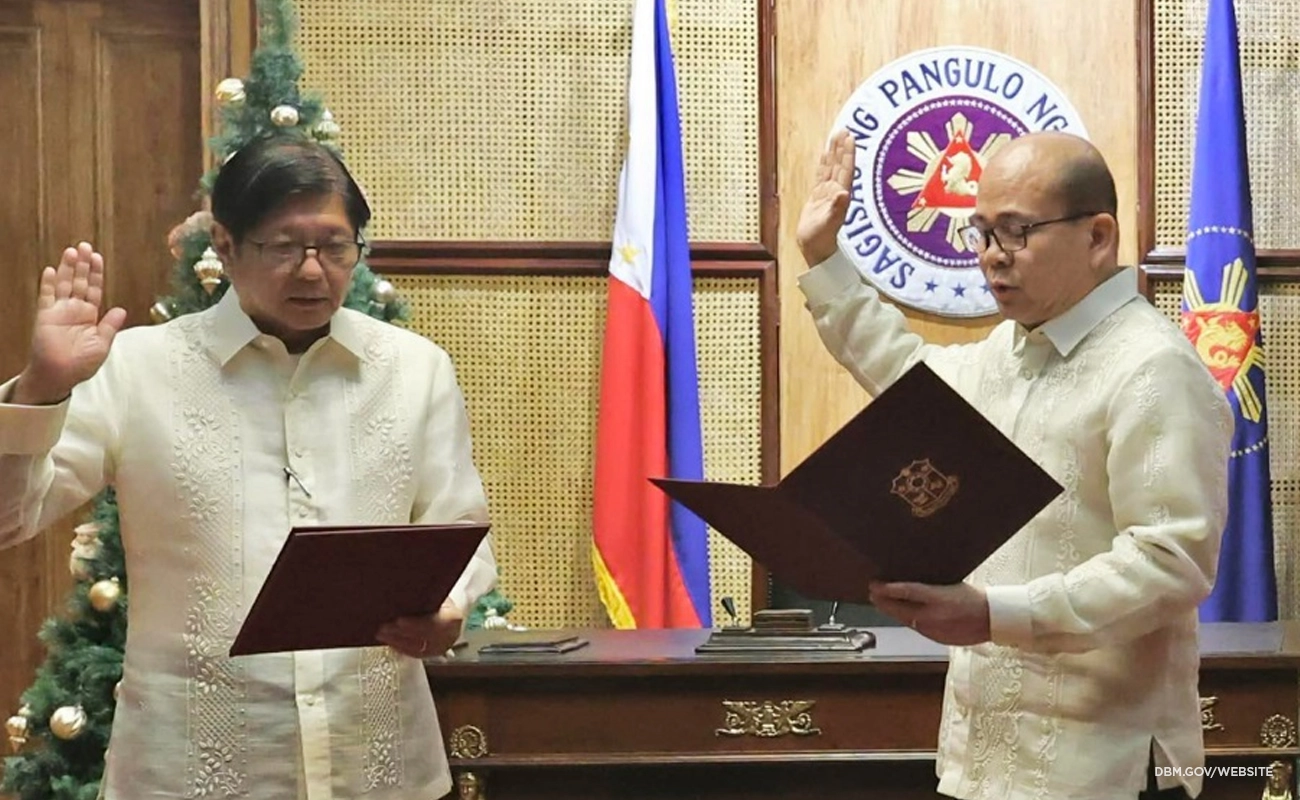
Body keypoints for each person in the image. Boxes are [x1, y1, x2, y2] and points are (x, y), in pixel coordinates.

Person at [0, 135, 497, 799]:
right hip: (189, 774)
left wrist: (451, 607)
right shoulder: (138, 368)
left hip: (378, 764)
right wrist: (40, 388)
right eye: (284, 247)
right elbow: (12, 517)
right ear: (226, 245)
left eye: (335, 246)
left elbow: (459, 529)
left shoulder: (414, 369)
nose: (313, 271)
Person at [794, 130, 1233, 800]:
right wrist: (823, 256)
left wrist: (994, 615)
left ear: (1098, 237)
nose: (992, 257)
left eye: (1017, 231)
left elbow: (1171, 563)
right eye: (981, 233)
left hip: (1104, 771)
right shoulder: (1010, 353)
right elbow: (906, 375)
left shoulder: (1154, 367)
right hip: (981, 766)